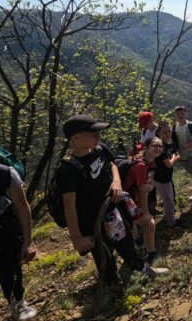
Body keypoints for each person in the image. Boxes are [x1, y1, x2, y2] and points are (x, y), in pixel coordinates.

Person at [59, 115, 164, 285]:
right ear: (76, 138)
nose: (98, 137)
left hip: (112, 209)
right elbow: (69, 205)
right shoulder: (68, 168)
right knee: (104, 253)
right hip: (91, 221)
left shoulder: (99, 149)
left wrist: (116, 182)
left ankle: (141, 269)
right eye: (93, 134)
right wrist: (76, 238)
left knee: (126, 241)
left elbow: (112, 164)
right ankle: (112, 287)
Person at [0, 164, 37, 321]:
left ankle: (17, 301)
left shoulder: (5, 173)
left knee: (11, 266)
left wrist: (28, 241)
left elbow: (22, 206)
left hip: (3, 227)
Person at [122, 137, 164, 264]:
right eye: (154, 145)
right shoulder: (141, 166)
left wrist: (149, 187)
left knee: (135, 223)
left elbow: (146, 187)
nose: (158, 148)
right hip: (126, 200)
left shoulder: (149, 163)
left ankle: (139, 243)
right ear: (146, 148)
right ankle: (151, 254)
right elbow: (143, 191)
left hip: (129, 198)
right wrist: (146, 213)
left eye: (160, 146)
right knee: (149, 224)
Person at [153, 123, 180, 227]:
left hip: (167, 176)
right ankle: (172, 223)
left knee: (169, 197)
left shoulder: (170, 142)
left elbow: (177, 154)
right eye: (164, 132)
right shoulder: (159, 146)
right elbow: (169, 164)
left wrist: (173, 157)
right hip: (161, 178)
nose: (168, 134)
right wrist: (173, 157)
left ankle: (170, 214)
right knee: (168, 200)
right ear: (158, 133)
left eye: (169, 131)